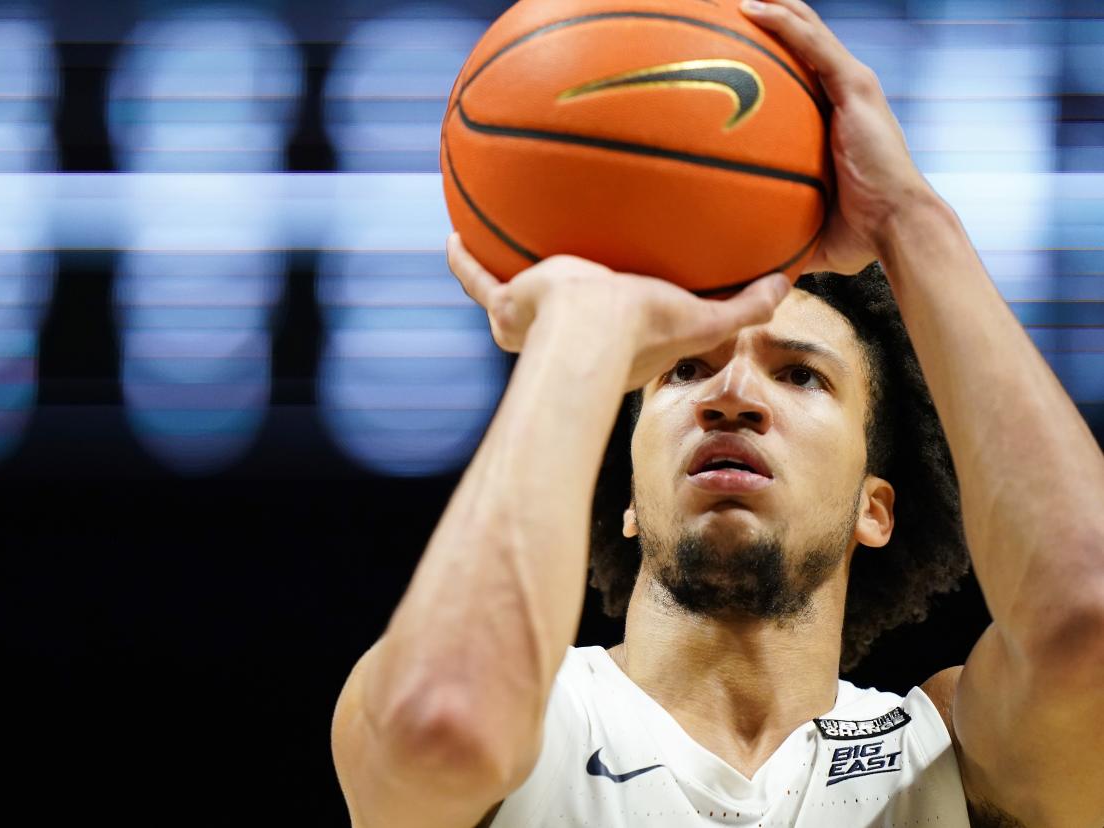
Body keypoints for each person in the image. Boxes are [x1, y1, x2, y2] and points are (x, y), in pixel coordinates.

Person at [331, 1, 1104, 826]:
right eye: (683, 370)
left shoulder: (945, 754)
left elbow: (1087, 619)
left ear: (874, 509)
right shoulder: (536, 724)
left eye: (802, 376)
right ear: (629, 493)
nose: (731, 396)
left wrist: (908, 220)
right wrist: (581, 329)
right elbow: (438, 725)